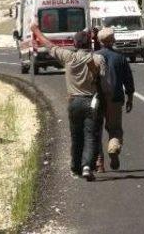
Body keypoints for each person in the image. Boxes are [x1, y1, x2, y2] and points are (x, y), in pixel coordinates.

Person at [31, 23, 106, 181]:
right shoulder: (98, 59)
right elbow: (104, 80)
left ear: (74, 44)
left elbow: (49, 45)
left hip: (74, 101)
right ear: (89, 43)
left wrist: (36, 30)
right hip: (91, 101)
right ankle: (87, 166)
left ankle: (75, 167)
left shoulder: (68, 57)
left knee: (76, 136)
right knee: (90, 135)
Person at [94, 27, 135, 171]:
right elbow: (128, 80)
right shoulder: (120, 57)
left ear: (99, 41)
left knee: (96, 129)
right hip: (116, 98)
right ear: (113, 40)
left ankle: (99, 163)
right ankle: (113, 147)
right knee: (115, 128)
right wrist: (130, 97)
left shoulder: (94, 56)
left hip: (97, 98)